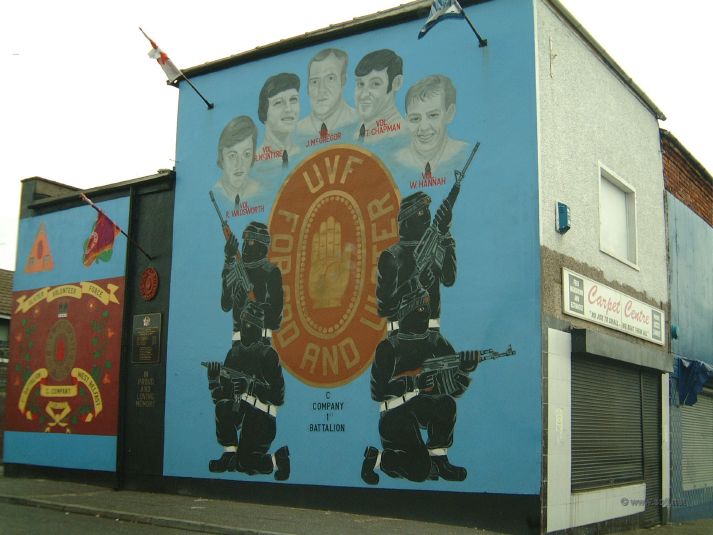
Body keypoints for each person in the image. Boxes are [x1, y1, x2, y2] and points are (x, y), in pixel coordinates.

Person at [361, 287, 477, 484]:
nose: (423, 316)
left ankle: (439, 459)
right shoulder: (389, 347)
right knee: (419, 472)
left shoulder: (435, 341)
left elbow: (455, 389)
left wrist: (463, 369)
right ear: (405, 315)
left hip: (419, 408)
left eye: (425, 311)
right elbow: (377, 392)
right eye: (417, 311)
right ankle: (379, 459)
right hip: (394, 415)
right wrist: (413, 383)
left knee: (446, 405)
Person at [206, 302, 290, 480]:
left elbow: (278, 396)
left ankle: (277, 460)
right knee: (222, 407)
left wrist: (250, 387)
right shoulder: (234, 354)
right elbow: (221, 399)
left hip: (261, 418)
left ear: (259, 329)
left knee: (244, 465)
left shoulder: (268, 355)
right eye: (245, 325)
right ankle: (230, 453)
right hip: (240, 411)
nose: (247, 330)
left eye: (251, 326)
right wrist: (214, 380)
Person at [376, 191, 456, 333]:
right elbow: (385, 308)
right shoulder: (391, 256)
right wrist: (415, 284)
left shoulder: (435, 245)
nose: (427, 217)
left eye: (427, 210)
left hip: (432, 335)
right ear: (406, 221)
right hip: (399, 337)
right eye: (420, 212)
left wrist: (445, 233)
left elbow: (449, 279)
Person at [394, 75, 470, 178]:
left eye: (433, 115)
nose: (424, 127)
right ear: (406, 120)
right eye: (415, 119)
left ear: (449, 114)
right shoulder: (396, 162)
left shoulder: (465, 154)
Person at [222, 221, 283, 343]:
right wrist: (229, 261)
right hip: (237, 339)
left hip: (261, 343)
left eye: (250, 242)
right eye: (244, 241)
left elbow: (275, 319)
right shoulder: (238, 269)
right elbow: (225, 305)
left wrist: (248, 304)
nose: (244, 247)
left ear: (261, 247)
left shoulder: (271, 272)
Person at [296, 48, 358, 139]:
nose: (321, 90)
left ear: (343, 81)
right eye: (314, 81)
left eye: (330, 78)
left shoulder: (358, 121)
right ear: (308, 88)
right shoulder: (297, 131)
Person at [353, 49, 405, 144]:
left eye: (375, 84)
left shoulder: (398, 136)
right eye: (360, 84)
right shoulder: (359, 130)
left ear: (396, 83)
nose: (364, 95)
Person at [211, 116, 262, 212]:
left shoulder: (259, 191)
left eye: (247, 154)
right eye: (232, 156)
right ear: (222, 158)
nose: (239, 164)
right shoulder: (216, 194)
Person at [255, 73, 301, 168]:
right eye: (278, 102)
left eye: (293, 100)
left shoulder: (303, 153)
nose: (288, 109)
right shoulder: (254, 163)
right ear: (264, 112)